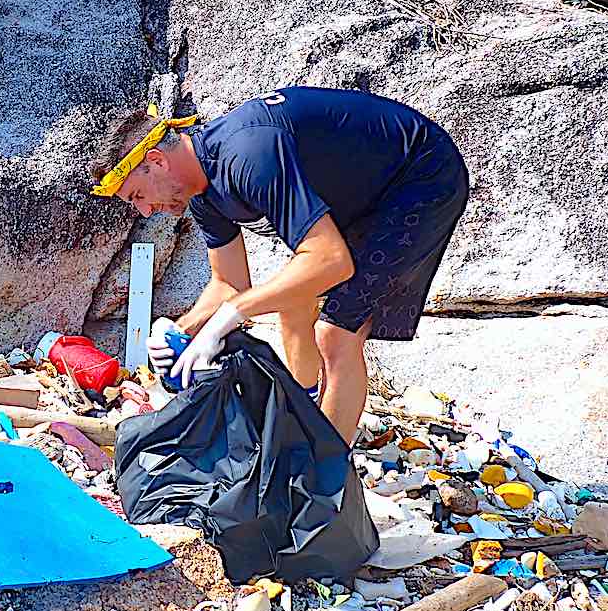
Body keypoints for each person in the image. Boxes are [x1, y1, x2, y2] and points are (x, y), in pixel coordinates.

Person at [89, 87, 469, 444]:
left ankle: (324, 473)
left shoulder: (249, 154)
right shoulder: (204, 195)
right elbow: (228, 285)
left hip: (420, 174)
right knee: (293, 301)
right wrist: (180, 329)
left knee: (336, 334)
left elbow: (328, 260)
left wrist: (231, 316)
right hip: (362, 194)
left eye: (137, 195)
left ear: (156, 161)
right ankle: (301, 415)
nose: (143, 210)